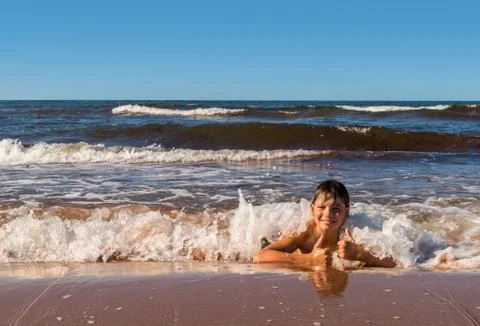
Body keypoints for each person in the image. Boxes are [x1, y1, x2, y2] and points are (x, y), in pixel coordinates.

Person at [253, 179, 396, 269]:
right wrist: (308, 259)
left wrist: (361, 254)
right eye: (321, 207)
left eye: (336, 209)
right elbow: (260, 256)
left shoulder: (355, 231)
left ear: (346, 211)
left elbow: (394, 262)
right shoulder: (304, 232)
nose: (328, 214)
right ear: (312, 208)